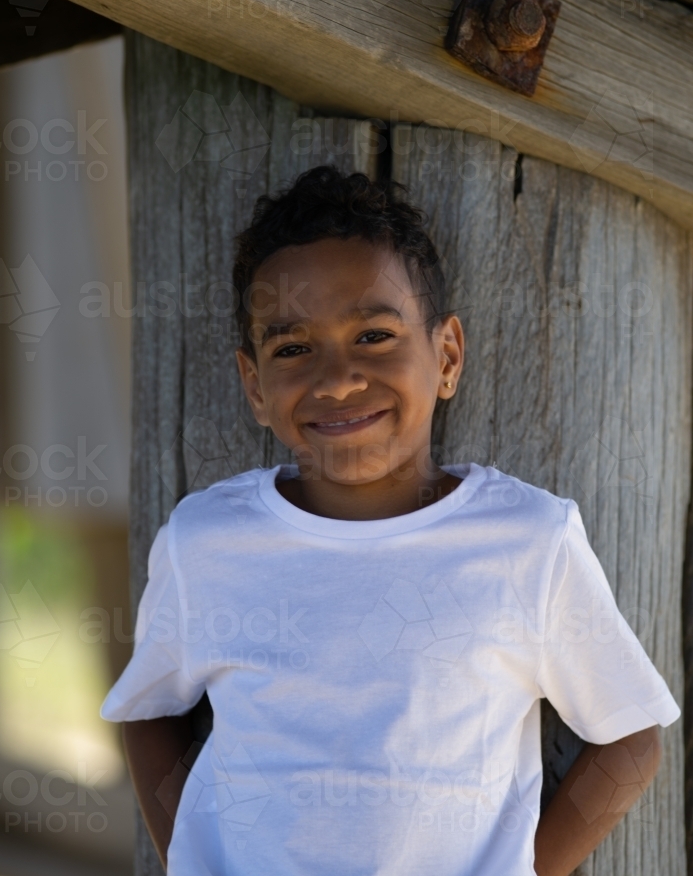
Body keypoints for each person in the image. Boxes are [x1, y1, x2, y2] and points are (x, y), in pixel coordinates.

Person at [101, 166, 679, 876]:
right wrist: (189, 857)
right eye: (291, 348)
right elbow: (149, 710)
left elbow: (630, 736)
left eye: (373, 336)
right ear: (254, 386)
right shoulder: (206, 543)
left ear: (445, 356)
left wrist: (530, 868)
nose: (337, 378)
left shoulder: (529, 541)